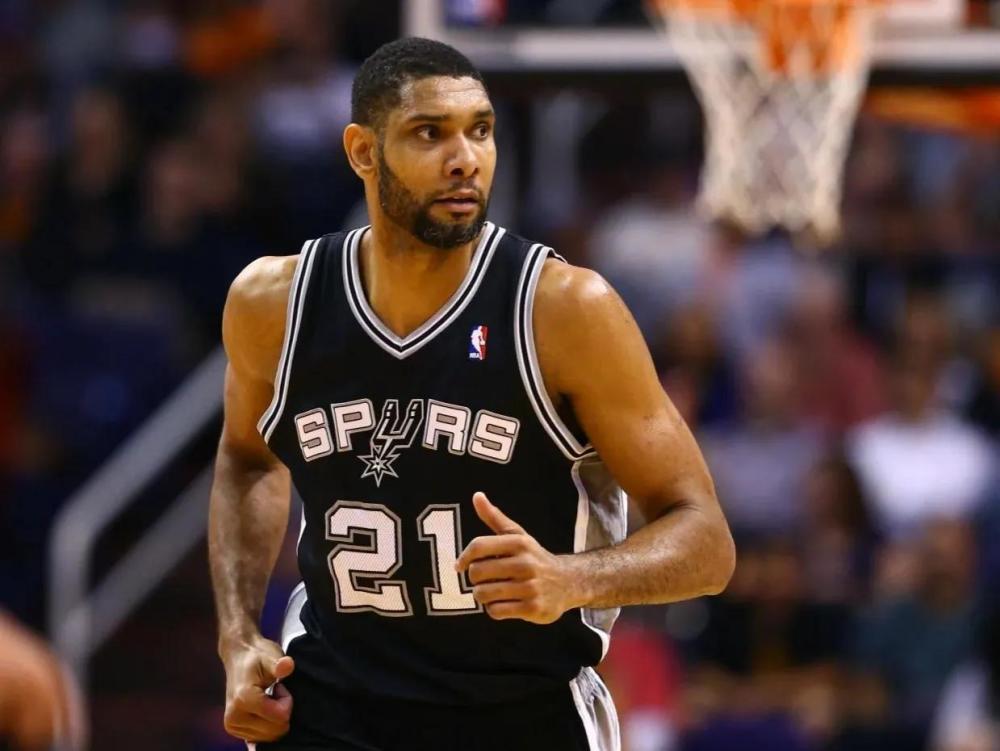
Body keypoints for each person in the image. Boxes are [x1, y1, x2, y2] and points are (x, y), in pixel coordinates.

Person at [208, 37, 735, 751]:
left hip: (522, 712)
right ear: (363, 152)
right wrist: (239, 636)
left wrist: (571, 578)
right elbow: (246, 459)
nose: (465, 158)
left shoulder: (562, 309)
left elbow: (707, 542)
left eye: (480, 130)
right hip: (332, 706)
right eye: (430, 133)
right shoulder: (274, 304)